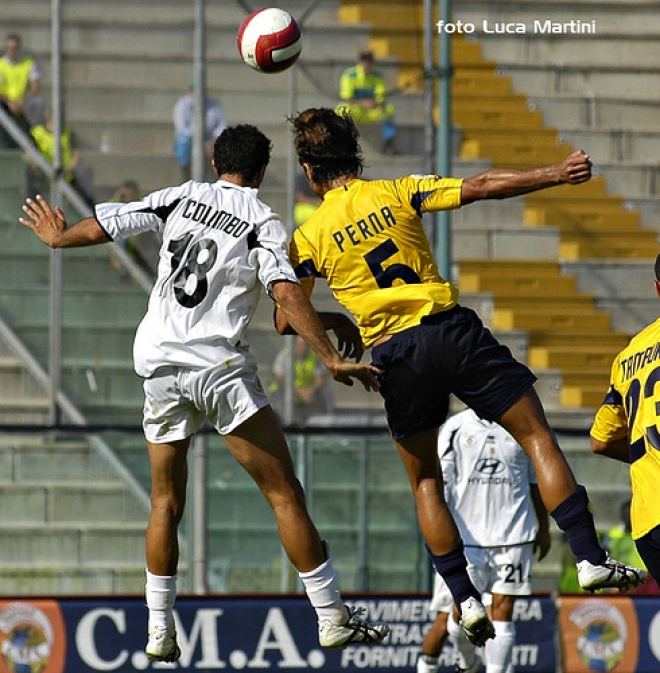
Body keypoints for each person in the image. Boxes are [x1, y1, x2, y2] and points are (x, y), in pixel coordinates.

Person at [19, 124, 390, 663]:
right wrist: (329, 357)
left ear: (216, 162)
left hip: (161, 368)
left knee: (165, 501)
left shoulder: (179, 197)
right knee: (283, 493)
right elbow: (285, 295)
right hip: (218, 369)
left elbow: (107, 224)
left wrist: (58, 237)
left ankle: (158, 629)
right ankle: (331, 616)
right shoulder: (263, 221)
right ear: (261, 172)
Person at [278, 107, 647, 648]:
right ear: (356, 155)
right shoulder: (399, 190)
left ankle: (464, 599)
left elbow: (288, 317)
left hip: (393, 352)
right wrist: (555, 172)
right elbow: (480, 186)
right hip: (449, 328)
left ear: (310, 173)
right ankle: (590, 559)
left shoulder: (307, 237)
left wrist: (334, 320)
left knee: (426, 480)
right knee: (535, 434)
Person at [417, 408, 550, 673]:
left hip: (514, 535)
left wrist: (543, 528)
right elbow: (436, 484)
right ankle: (468, 662)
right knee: (459, 616)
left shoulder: (520, 423)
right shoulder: (455, 427)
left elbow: (536, 481)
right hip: (467, 540)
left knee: (503, 610)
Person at [590, 252, 660, 588]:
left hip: (649, 520)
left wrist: (644, 455)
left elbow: (600, 440)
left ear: (657, 288)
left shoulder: (629, 355)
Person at [336, 50, 397, 154]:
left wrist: (375, 103)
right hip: (356, 110)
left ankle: (389, 142)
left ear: (372, 63)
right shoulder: (350, 75)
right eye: (364, 61)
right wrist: (364, 103)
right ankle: (342, 142)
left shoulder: (377, 76)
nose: (366, 64)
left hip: (371, 111)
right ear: (359, 62)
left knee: (389, 110)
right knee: (342, 109)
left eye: (369, 61)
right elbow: (346, 97)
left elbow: (381, 96)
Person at [30, 109, 95, 206]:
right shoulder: (37, 133)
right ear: (49, 117)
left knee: (84, 173)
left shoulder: (67, 132)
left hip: (67, 173)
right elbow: (30, 153)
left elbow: (77, 155)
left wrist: (66, 171)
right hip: (43, 173)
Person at [270, 334, 333, 425]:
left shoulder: (314, 356)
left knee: (325, 393)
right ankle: (283, 424)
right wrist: (299, 391)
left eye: (305, 345)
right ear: (294, 344)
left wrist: (310, 391)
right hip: (287, 390)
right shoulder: (284, 355)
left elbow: (320, 379)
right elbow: (280, 379)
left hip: (308, 391)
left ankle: (323, 424)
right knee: (280, 395)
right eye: (300, 345)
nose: (302, 348)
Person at [173, 78, 227, 181]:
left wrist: (212, 141)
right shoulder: (182, 105)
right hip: (190, 138)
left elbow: (221, 125)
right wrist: (200, 142)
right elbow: (182, 128)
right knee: (183, 142)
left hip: (210, 138)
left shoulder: (214, 104)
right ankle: (186, 175)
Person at [0, 32, 45, 147]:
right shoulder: (1, 64)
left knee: (38, 103)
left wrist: (21, 102)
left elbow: (35, 87)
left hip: (23, 101)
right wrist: (10, 103)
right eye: (9, 48)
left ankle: (35, 138)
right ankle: (6, 142)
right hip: (5, 102)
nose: (11, 51)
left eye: (14, 48)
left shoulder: (28, 63)